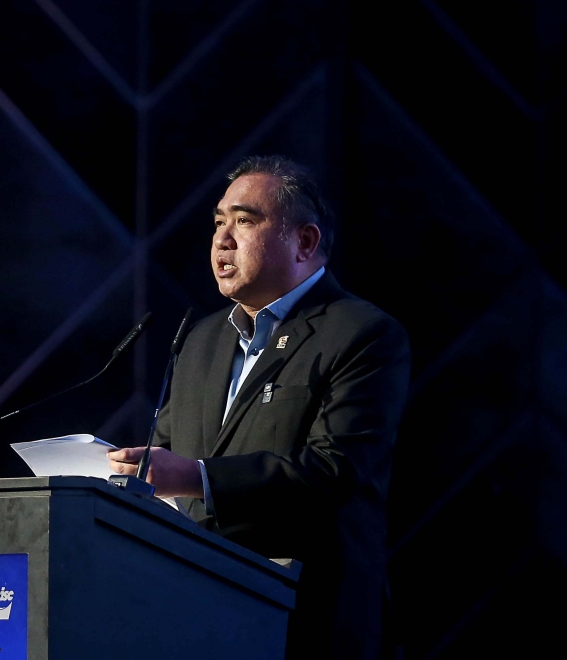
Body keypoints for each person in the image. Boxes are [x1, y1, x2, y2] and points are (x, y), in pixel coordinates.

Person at [108, 155, 410, 659]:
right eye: (219, 223)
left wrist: (198, 477)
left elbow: (336, 468)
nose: (222, 240)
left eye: (245, 221)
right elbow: (165, 458)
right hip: (194, 615)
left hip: (307, 620)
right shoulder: (201, 339)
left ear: (305, 242)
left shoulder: (361, 333)